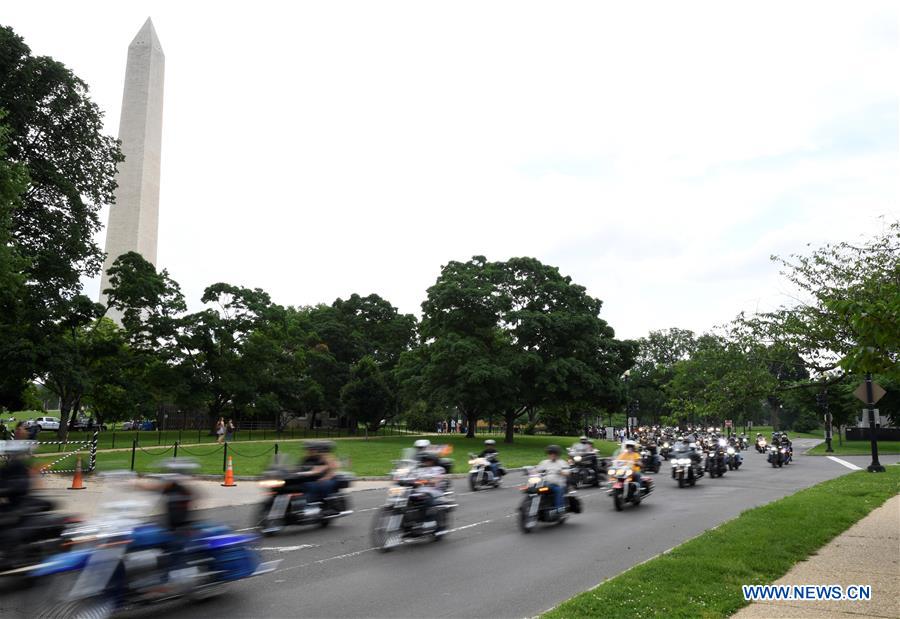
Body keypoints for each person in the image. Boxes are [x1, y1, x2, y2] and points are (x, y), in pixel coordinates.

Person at [535, 445, 569, 513]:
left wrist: (561, 471)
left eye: (554, 453)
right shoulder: (544, 462)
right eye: (550, 453)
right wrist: (530, 471)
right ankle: (535, 506)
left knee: (558, 490)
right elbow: (537, 469)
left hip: (558, 484)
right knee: (532, 489)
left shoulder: (562, 463)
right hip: (545, 483)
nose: (552, 455)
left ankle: (560, 509)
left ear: (558, 454)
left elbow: (567, 472)